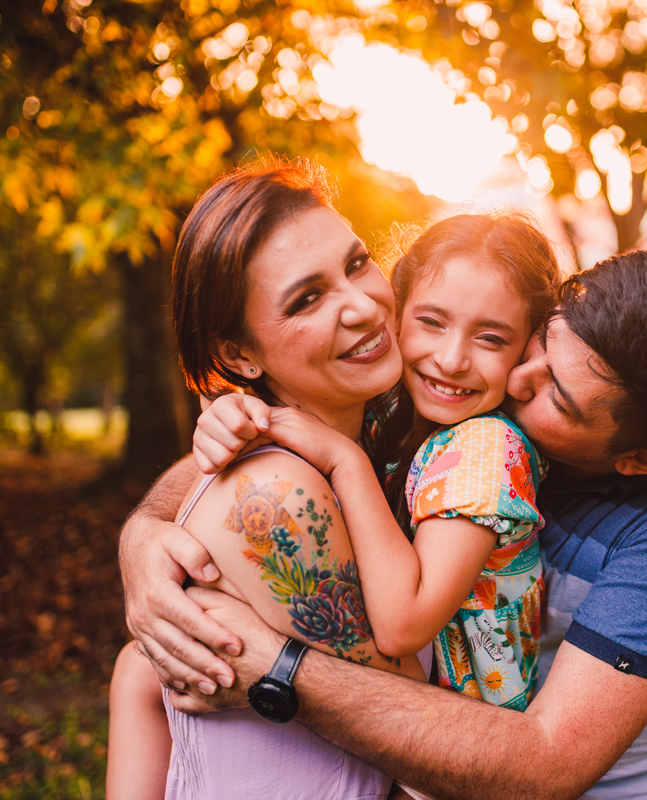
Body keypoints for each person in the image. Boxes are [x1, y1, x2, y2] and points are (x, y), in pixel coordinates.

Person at [125, 248, 647, 799]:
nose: (516, 378)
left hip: (589, 784)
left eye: (557, 393)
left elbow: (546, 762)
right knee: (137, 672)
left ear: (640, 460)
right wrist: (146, 533)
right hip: (447, 744)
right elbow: (271, 441)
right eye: (541, 340)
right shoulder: (462, 382)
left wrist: (279, 670)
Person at [107, 155, 427, 800]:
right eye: (308, 299)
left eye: (357, 263)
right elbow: (430, 738)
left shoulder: (364, 435)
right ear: (238, 355)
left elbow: (136, 673)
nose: (363, 306)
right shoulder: (276, 499)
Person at [214, 211, 561, 712]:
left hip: (459, 743)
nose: (451, 359)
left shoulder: (485, 449)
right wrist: (229, 410)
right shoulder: (396, 412)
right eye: (432, 322)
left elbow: (404, 625)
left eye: (491, 338)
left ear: (526, 350)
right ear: (397, 313)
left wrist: (344, 460)